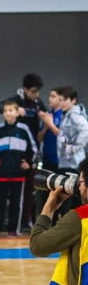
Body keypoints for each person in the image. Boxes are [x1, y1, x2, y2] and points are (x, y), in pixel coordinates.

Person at [0, 73, 45, 231]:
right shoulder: (16, 101)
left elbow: (45, 115)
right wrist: (16, 109)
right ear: (25, 89)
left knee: (24, 194)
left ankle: (22, 224)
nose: (36, 95)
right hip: (6, 161)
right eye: (33, 91)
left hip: (24, 154)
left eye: (37, 92)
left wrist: (31, 161)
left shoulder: (37, 103)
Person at [0, 98, 35, 237]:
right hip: (1, 173)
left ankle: (13, 230)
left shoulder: (23, 130)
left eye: (11, 110)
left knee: (16, 203)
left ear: (17, 112)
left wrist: (29, 164)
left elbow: (33, 149)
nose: (8, 113)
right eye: (5, 111)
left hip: (18, 173)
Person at [55, 86, 88, 216]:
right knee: (66, 197)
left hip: (73, 164)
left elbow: (86, 130)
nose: (61, 103)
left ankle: (71, 225)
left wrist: (74, 148)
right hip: (66, 163)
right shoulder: (67, 115)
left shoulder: (75, 115)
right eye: (60, 100)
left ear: (73, 100)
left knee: (69, 197)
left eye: (64, 100)